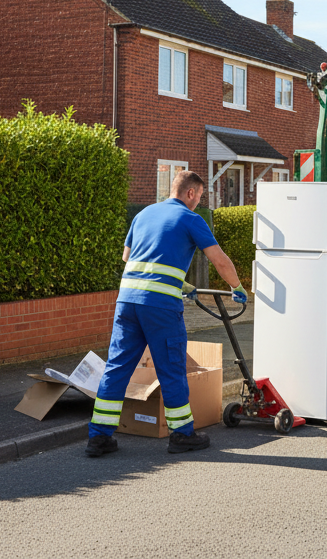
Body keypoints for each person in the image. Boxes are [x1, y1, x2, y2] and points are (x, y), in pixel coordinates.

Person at [85, 171, 249, 457]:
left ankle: (98, 437)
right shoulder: (190, 219)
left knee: (118, 366)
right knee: (171, 368)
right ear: (190, 193)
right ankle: (182, 435)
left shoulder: (144, 214)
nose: (199, 201)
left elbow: (127, 257)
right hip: (159, 306)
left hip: (127, 301)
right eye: (199, 195)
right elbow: (220, 261)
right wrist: (238, 287)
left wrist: (181, 283)